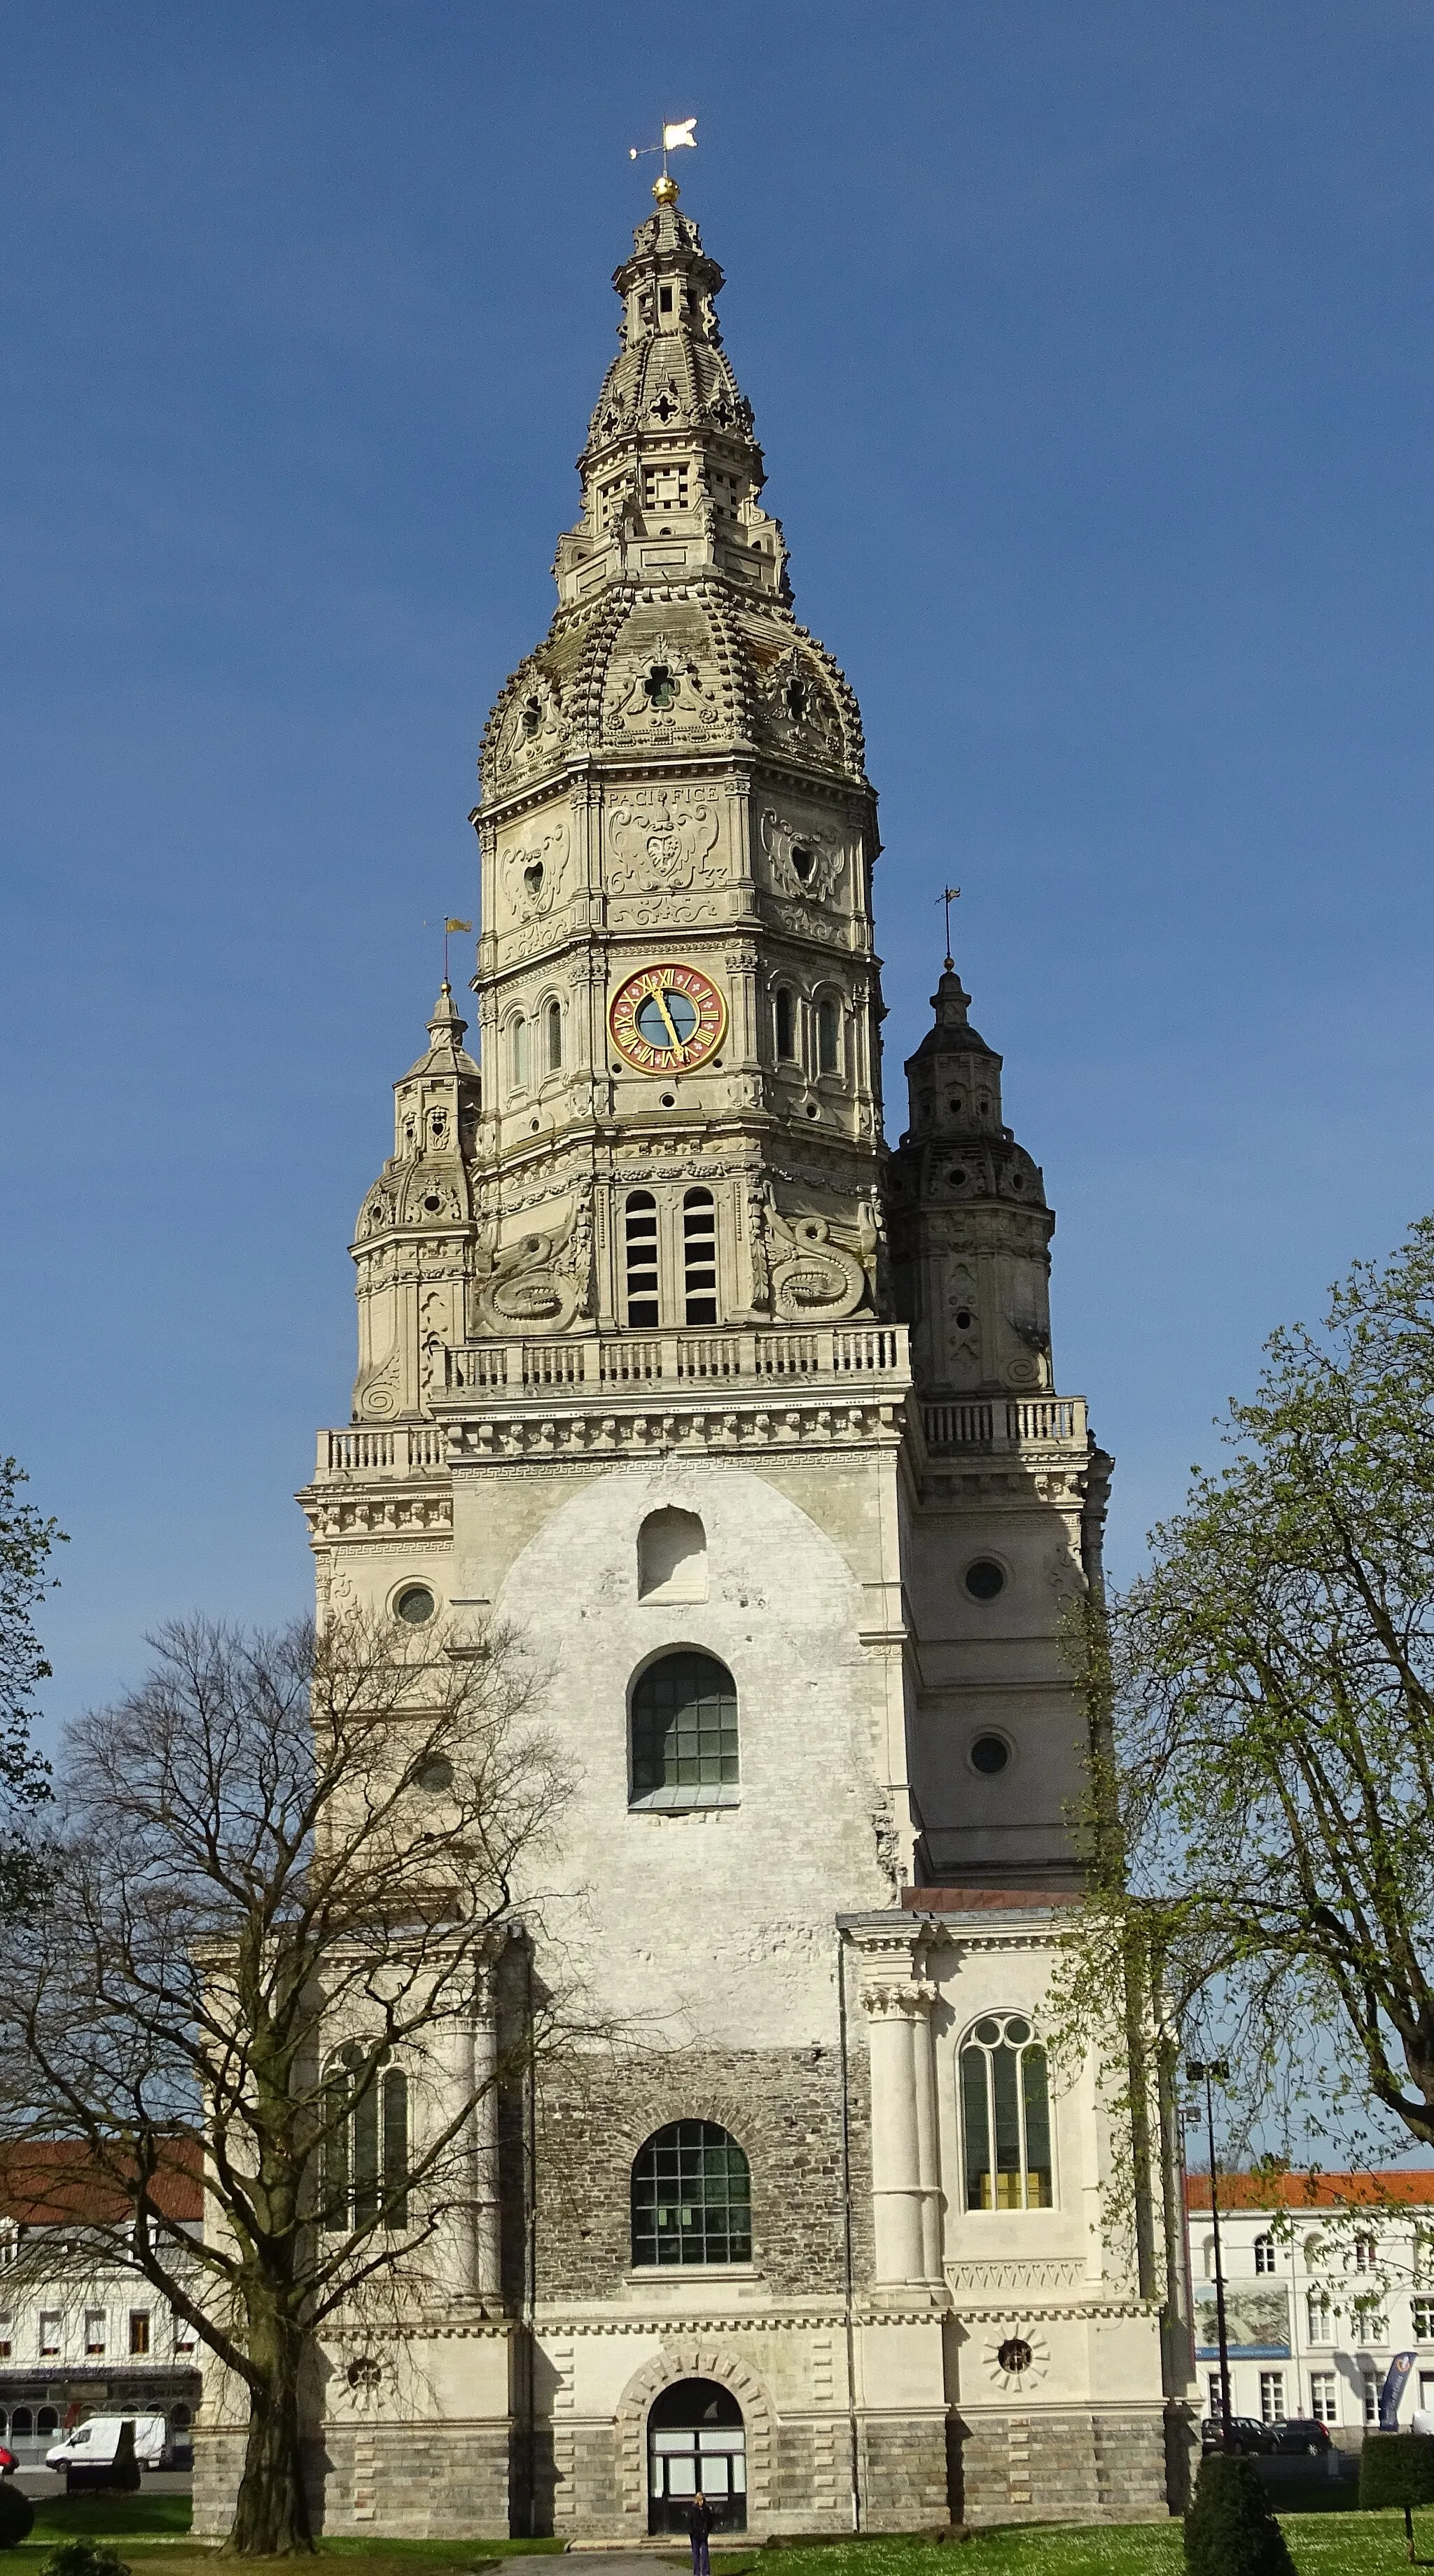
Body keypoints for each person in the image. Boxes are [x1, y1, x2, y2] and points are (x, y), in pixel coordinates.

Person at [687, 2488, 714, 2576]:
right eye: (699, 2500)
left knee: (705, 2553)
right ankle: (697, 2573)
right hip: (695, 2535)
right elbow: (689, 2522)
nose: (701, 2502)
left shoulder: (706, 2510)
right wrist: (692, 2532)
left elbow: (710, 2521)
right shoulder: (693, 2510)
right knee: (696, 2553)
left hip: (703, 2534)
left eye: (702, 2500)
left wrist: (707, 2531)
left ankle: (706, 2572)